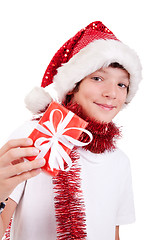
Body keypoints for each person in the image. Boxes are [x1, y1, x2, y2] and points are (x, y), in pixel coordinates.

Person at [0, 21, 142, 240]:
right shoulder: (34, 136)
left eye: (122, 84)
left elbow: (112, 234)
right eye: (97, 78)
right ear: (73, 86)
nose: (111, 93)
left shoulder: (119, 161)